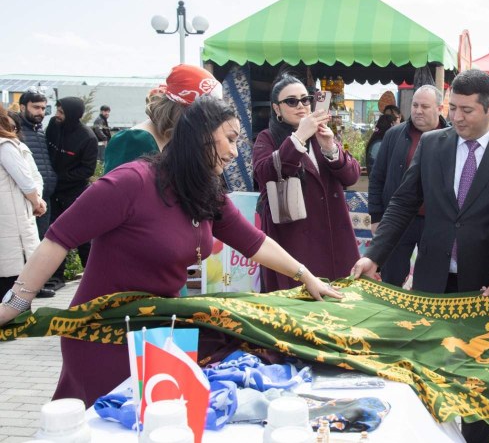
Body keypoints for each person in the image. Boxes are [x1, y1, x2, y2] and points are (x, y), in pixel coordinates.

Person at [0, 97, 341, 407]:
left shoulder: (205, 191)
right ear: (200, 136)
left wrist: (306, 276)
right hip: (105, 335)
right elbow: (58, 238)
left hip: (159, 332)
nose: (235, 152)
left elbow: (255, 242)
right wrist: (15, 304)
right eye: (230, 139)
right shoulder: (132, 182)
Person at [352, 69, 489, 443]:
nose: (456, 117)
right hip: (433, 284)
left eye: (466, 110)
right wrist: (374, 255)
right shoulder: (433, 145)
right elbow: (403, 203)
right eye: (452, 108)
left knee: (478, 388)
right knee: (429, 377)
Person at [252, 74, 361, 292]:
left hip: (333, 234)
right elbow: (264, 174)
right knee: (297, 302)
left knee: (338, 299)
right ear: (277, 108)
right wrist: (298, 138)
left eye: (305, 99)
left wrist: (331, 148)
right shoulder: (267, 138)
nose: (301, 106)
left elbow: (351, 177)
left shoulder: (321, 134)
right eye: (291, 101)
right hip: (293, 239)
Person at [367, 86, 447, 287]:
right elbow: (377, 177)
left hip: (435, 223)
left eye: (425, 106)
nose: (418, 111)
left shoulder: (452, 137)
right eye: (415, 105)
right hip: (398, 220)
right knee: (391, 279)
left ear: (440, 108)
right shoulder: (394, 135)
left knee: (429, 281)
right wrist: (376, 216)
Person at [104, 65, 221, 174]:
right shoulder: (135, 140)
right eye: (201, 117)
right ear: (181, 110)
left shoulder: (172, 138)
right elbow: (117, 187)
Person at [45, 97, 98, 291]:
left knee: (83, 237)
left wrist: (61, 177)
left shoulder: (88, 138)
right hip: (53, 192)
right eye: (57, 110)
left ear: (73, 114)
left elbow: (87, 170)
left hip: (75, 194)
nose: (57, 115)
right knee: (54, 236)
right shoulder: (54, 126)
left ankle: (95, 276)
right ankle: (55, 278)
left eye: (61, 112)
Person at [0, 105, 47, 296]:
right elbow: (28, 182)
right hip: (12, 226)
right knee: (14, 288)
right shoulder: (5, 146)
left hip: (9, 223)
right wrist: (37, 202)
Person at [17, 88, 58, 241]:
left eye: (43, 108)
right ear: (22, 107)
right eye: (36, 107)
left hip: (44, 197)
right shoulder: (16, 131)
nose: (40, 112)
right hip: (25, 198)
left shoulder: (40, 131)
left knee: (41, 240)